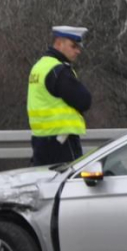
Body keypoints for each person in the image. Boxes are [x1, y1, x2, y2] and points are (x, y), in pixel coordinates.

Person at [27, 25, 92, 166]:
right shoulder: (58, 70)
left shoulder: (39, 66)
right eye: (73, 46)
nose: (78, 51)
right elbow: (84, 100)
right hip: (61, 142)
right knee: (69, 185)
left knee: (44, 183)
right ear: (59, 43)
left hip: (40, 140)